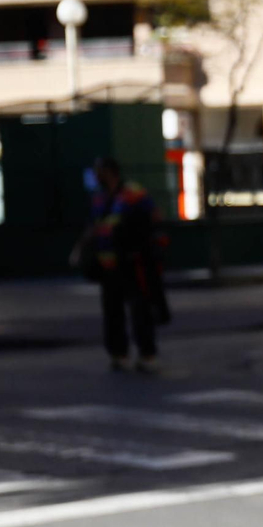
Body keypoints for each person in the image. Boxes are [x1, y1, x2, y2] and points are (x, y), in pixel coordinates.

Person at [71, 157, 169, 371]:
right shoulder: (99, 198)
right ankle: (119, 353)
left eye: (99, 171)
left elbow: (154, 219)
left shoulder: (133, 194)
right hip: (108, 266)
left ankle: (147, 354)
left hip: (131, 263)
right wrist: (80, 250)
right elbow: (95, 227)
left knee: (139, 309)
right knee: (112, 311)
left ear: (109, 172)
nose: (96, 176)